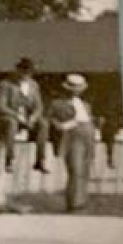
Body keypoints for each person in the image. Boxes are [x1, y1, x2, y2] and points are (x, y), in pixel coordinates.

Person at [0, 57, 50, 212]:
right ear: (18, 70)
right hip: (9, 117)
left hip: (27, 118)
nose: (26, 75)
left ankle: (40, 160)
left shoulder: (33, 86)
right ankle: (9, 159)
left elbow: (38, 106)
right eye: (23, 71)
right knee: (11, 124)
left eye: (29, 72)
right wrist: (17, 116)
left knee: (43, 124)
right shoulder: (6, 85)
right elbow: (1, 106)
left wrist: (33, 117)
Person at [48, 73, 99, 213]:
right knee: (75, 169)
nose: (76, 90)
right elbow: (50, 119)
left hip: (88, 134)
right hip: (72, 135)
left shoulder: (86, 105)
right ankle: (74, 203)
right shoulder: (57, 103)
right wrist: (62, 125)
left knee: (85, 169)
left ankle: (81, 201)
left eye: (78, 88)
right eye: (73, 87)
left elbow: (90, 119)